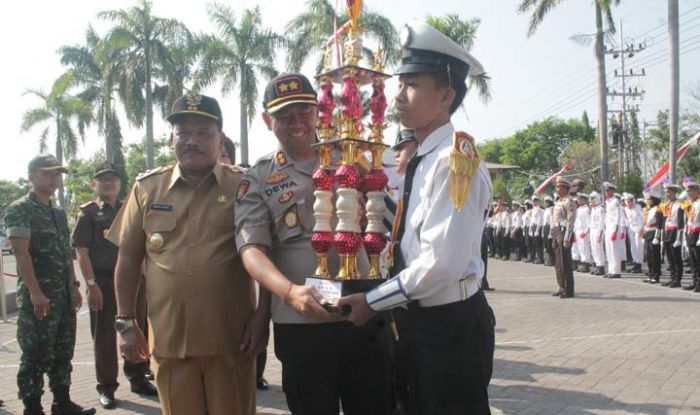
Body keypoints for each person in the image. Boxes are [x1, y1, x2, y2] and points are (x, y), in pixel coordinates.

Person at [337, 21, 496, 414]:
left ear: (446, 95)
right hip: (418, 319)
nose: (399, 97)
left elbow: (442, 263)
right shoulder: (424, 158)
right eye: (399, 86)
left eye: (412, 86)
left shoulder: (454, 161)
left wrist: (373, 300)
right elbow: (414, 238)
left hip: (449, 324)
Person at [235, 73, 392, 415]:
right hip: (303, 319)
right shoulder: (259, 177)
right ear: (267, 120)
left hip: (363, 308)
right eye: (285, 115)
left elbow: (391, 224)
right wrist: (287, 293)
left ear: (320, 112)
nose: (297, 122)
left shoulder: (355, 157)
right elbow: (252, 251)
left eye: (305, 112)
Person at [107, 93, 262, 415]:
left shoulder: (243, 186)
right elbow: (129, 258)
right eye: (184, 132)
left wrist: (262, 319)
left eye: (204, 133)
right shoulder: (148, 188)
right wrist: (125, 322)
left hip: (230, 340)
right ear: (171, 138)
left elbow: (264, 256)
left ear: (221, 139)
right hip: (169, 340)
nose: (192, 140)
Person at [4, 155, 95, 415]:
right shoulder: (20, 209)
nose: (54, 178)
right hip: (39, 298)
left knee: (62, 352)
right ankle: (32, 408)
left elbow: (65, 254)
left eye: (57, 174)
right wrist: (34, 291)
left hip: (63, 297)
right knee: (35, 355)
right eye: (48, 173)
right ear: (31, 176)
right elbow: (22, 254)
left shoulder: (56, 213)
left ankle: (62, 403)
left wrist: (74, 285)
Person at [72, 162, 157, 409]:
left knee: (138, 328)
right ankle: (106, 386)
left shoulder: (129, 208)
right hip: (103, 281)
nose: (108, 183)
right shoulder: (88, 213)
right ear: (94, 184)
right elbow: (82, 251)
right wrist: (90, 284)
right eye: (103, 179)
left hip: (133, 283)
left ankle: (138, 377)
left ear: (120, 183)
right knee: (105, 338)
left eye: (113, 179)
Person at [218, 137, 269, 391]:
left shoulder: (250, 183)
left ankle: (258, 375)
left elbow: (259, 249)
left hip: (236, 313)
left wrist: (263, 313)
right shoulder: (160, 187)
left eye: (223, 152)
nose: (220, 157)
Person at [551, 177, 576, 298]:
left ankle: (569, 289)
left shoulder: (569, 201)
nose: (557, 189)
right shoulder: (559, 201)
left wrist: (567, 238)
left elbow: (570, 221)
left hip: (564, 231)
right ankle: (561, 286)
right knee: (558, 262)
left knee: (565, 262)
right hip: (556, 231)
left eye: (559, 187)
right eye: (557, 187)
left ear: (565, 188)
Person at [661, 183, 685, 287]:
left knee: (676, 256)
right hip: (667, 231)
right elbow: (665, 220)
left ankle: (677, 279)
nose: (667, 194)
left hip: (675, 231)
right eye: (666, 193)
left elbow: (680, 221)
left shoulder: (679, 204)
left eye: (669, 192)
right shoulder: (667, 205)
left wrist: (679, 237)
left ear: (675, 193)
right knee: (669, 257)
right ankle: (672, 277)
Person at [603, 182, 625, 278]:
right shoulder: (608, 201)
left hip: (613, 226)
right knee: (608, 249)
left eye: (608, 190)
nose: (607, 192)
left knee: (614, 249)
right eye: (606, 190)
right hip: (608, 226)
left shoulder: (615, 201)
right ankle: (611, 270)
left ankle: (616, 271)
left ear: (612, 190)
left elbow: (617, 217)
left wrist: (615, 231)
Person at [623, 193, 644, 274]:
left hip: (638, 229)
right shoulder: (626, 209)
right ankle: (635, 262)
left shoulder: (637, 208)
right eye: (628, 201)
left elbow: (643, 218)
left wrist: (641, 228)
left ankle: (639, 264)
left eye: (631, 201)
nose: (629, 203)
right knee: (633, 247)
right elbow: (627, 220)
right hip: (631, 230)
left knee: (639, 247)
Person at [684, 182, 700, 292]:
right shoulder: (691, 204)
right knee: (693, 261)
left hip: (697, 233)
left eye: (691, 191)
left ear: (696, 191)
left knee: (698, 260)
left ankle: (699, 283)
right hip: (690, 234)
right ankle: (694, 281)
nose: (689, 193)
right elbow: (689, 220)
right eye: (688, 191)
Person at [588, 192, 607, 276]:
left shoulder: (600, 209)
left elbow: (601, 223)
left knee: (599, 249)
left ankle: (601, 267)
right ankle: (597, 265)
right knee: (594, 249)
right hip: (592, 230)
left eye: (592, 199)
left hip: (597, 231)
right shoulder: (593, 209)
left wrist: (600, 234)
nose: (591, 201)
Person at [573, 193, 592, 273]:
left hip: (583, 231)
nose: (578, 200)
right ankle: (582, 264)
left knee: (585, 248)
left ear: (584, 200)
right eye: (578, 199)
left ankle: (586, 265)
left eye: (580, 199)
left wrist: (585, 232)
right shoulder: (578, 209)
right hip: (577, 231)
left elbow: (589, 222)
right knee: (580, 248)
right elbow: (576, 222)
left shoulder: (586, 209)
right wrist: (574, 232)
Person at [542, 195, 555, 266]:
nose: (544, 203)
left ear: (549, 202)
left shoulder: (552, 209)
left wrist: (551, 232)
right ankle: (548, 260)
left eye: (546, 202)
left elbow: (552, 220)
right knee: (546, 245)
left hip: (550, 227)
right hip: (545, 227)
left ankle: (553, 260)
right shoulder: (545, 210)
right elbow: (544, 221)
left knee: (550, 245)